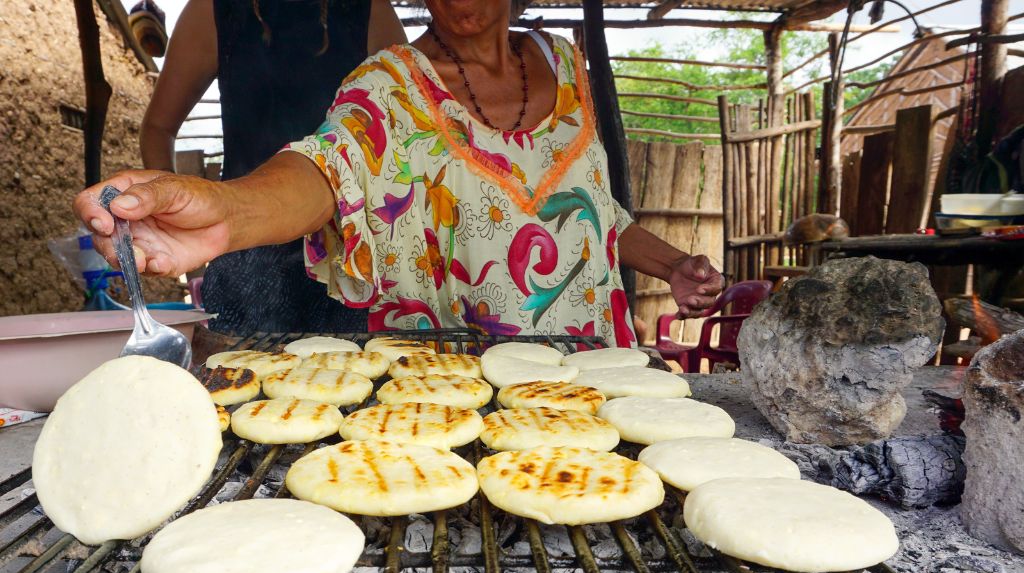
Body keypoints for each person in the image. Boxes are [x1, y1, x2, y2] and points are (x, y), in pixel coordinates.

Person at [78, 0, 723, 346]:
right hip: (452, 398)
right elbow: (332, 168)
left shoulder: (566, 65)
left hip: (591, 384)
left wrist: (670, 266)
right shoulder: (390, 86)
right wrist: (222, 214)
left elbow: (595, 213)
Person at [140, 0, 406, 334]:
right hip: (244, 254)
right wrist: (172, 223)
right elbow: (158, 129)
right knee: (238, 377)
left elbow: (407, 124)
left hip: (346, 257)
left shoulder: (370, 10)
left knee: (353, 376)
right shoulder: (212, 10)